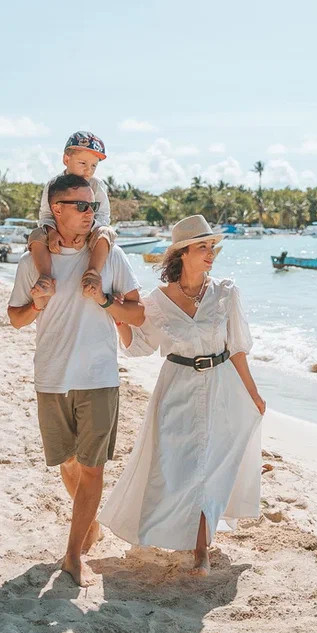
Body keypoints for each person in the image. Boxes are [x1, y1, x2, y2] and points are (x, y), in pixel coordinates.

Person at [99, 215, 266, 577]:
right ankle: (167, 531)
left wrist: (253, 394)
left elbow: (237, 348)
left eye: (211, 247)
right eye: (202, 248)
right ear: (181, 254)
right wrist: (117, 317)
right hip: (176, 387)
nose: (210, 254)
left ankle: (201, 552)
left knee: (207, 469)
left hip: (221, 386)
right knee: (174, 467)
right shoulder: (156, 302)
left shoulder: (226, 292)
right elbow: (140, 346)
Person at [7, 173, 145, 586]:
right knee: (67, 463)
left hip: (100, 378)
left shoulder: (111, 258)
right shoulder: (33, 263)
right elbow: (15, 319)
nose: (90, 213)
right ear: (57, 210)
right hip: (51, 378)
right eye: (81, 206)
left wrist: (104, 299)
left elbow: (137, 315)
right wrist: (36, 303)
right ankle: (91, 526)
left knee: (93, 468)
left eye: (92, 206)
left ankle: (72, 555)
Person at [28, 131, 115, 310]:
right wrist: (51, 233)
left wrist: (86, 234)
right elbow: (45, 215)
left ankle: (92, 275)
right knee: (36, 235)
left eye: (93, 166)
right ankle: (45, 278)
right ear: (66, 159)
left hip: (90, 231)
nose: (88, 170)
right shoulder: (54, 185)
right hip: (59, 231)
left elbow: (103, 216)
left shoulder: (96, 185)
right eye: (82, 163)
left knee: (107, 233)